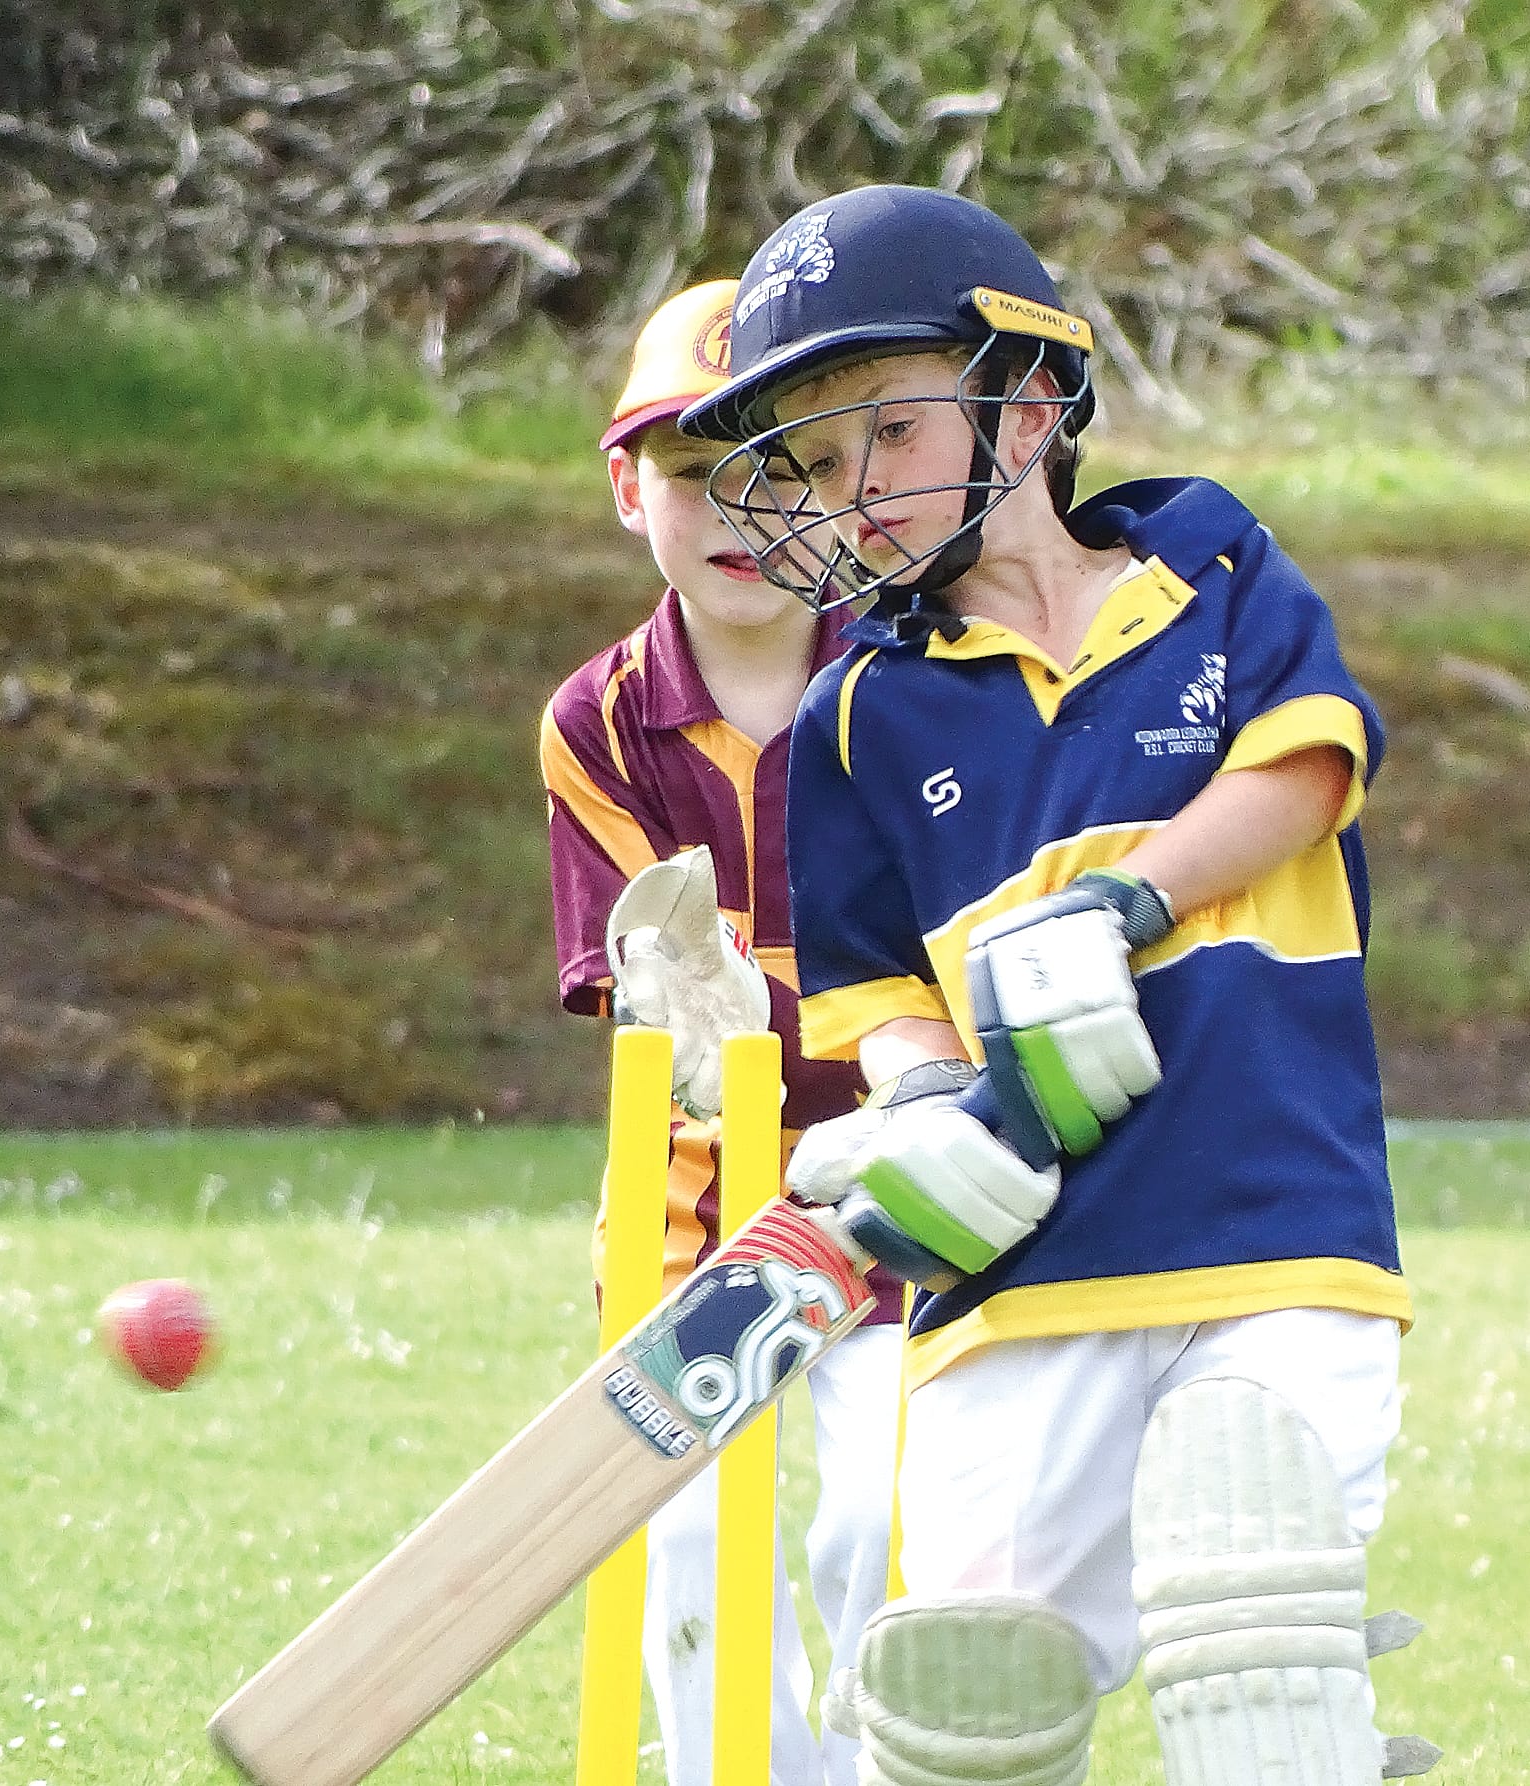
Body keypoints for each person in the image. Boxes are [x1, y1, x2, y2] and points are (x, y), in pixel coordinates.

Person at [679, 187, 1432, 1786]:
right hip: (1024, 1286)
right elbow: (872, 990)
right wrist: (928, 1093)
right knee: (974, 1707)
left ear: (1023, 404)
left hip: (1272, 1224)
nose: (848, 493)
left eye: (879, 432)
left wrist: (1120, 898)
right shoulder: (854, 720)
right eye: (810, 463)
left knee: (1263, 1628)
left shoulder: (1210, 564)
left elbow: (1306, 772)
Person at [539, 279, 904, 1786]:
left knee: (892, 1514)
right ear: (630, 489)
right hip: (704, 1223)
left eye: (781, 466)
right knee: (690, 1542)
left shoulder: (909, 677)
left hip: (907, 1193)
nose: (736, 508)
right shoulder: (600, 717)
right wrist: (693, 991)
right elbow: (655, 1008)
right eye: (693, 474)